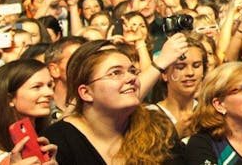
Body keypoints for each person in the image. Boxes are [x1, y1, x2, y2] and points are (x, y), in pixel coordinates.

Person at [43, 40, 177, 165]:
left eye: (132, 71)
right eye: (115, 73)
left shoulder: (158, 127)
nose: (131, 78)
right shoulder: (58, 140)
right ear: (86, 92)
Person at [0, 59, 56, 164]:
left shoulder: (46, 137)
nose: (49, 92)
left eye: (49, 85)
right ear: (9, 98)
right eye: (37, 87)